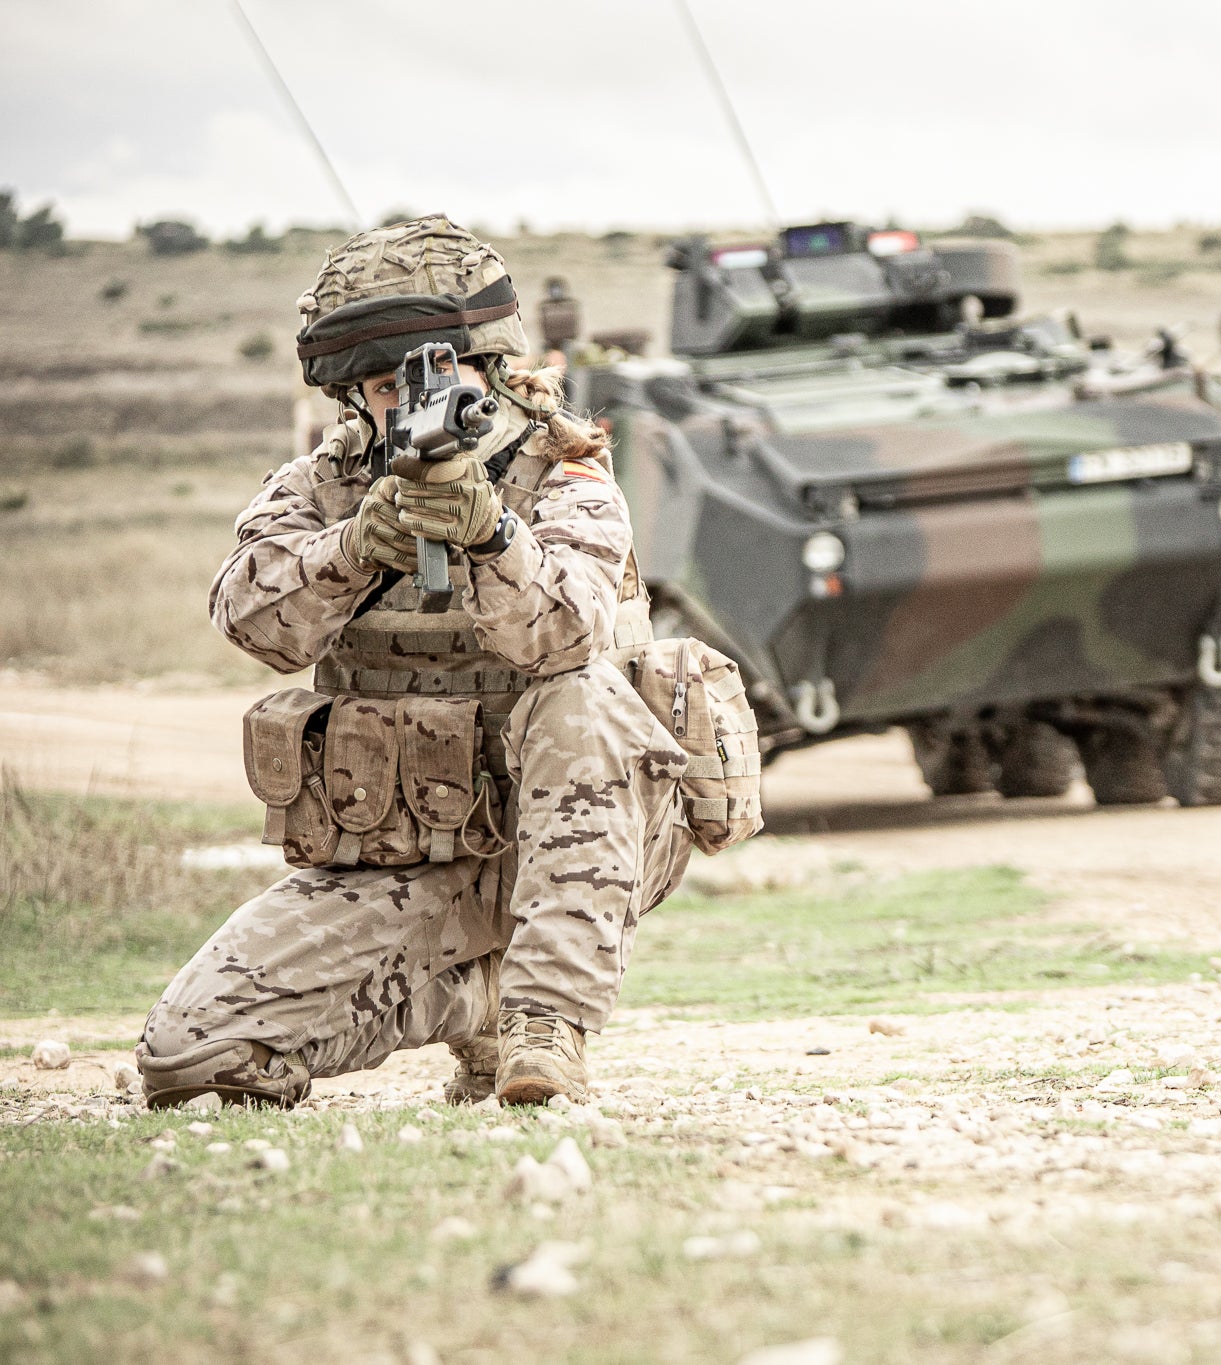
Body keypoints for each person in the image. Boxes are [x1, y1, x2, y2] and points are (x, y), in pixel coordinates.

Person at [136, 216, 760, 1111]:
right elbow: (251, 618)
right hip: (414, 843)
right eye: (388, 385)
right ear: (355, 397)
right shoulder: (320, 487)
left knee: (579, 699)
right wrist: (357, 545)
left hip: (591, 837)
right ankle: (482, 998)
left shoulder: (566, 472)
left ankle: (547, 1026)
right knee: (188, 1053)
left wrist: (491, 533)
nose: (411, 400)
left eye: (437, 376)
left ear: (494, 372)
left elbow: (569, 631)